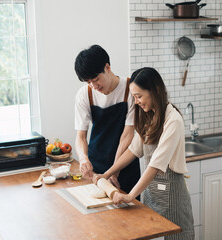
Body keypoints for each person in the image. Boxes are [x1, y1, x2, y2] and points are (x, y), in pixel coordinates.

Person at [93, 67, 195, 240]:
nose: (137, 101)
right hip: (150, 193)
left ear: (155, 91)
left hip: (172, 196)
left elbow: (155, 165)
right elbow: (133, 150)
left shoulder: (173, 120)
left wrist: (131, 195)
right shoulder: (149, 116)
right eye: (134, 97)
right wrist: (107, 173)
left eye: (139, 96)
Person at [74, 45, 140, 195]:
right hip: (96, 165)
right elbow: (81, 136)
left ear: (107, 67)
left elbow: (127, 136)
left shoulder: (130, 90)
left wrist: (114, 171)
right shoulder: (84, 94)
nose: (94, 86)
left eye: (96, 79)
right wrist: (84, 159)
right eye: (88, 82)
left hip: (125, 166)